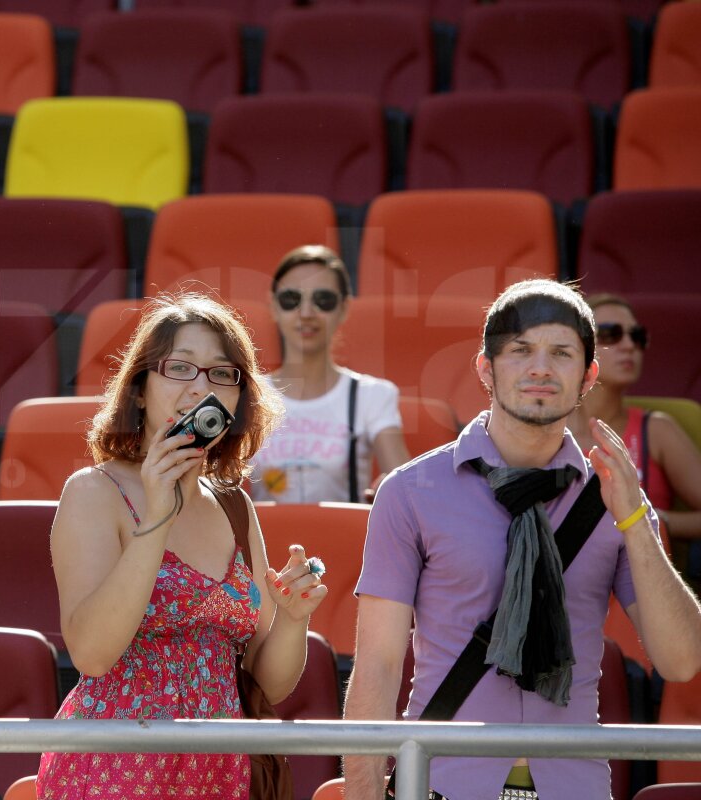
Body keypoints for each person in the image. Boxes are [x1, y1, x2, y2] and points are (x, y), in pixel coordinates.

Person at [343, 279, 701, 800]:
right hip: (445, 782)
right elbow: (376, 665)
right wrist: (363, 792)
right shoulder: (410, 491)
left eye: (561, 353)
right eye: (520, 351)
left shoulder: (614, 495)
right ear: (486, 369)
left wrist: (635, 519)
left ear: (587, 376)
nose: (540, 369)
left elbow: (682, 660)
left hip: (572, 784)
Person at [37, 292, 329, 799]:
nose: (202, 387)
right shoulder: (93, 491)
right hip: (114, 773)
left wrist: (292, 617)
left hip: (222, 772)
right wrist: (156, 517)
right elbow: (92, 654)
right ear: (142, 389)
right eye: (181, 368)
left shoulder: (235, 505)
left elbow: (270, 683)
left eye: (222, 373)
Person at [249, 245, 409, 504]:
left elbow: (405, 485)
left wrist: (392, 487)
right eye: (291, 299)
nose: (306, 312)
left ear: (344, 308)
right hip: (262, 542)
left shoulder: (373, 395)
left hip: (346, 542)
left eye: (323, 300)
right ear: (273, 307)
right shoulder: (248, 395)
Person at [568, 293, 701, 543]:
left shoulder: (658, 430)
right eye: (610, 334)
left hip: (643, 577)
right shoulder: (546, 430)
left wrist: (650, 519)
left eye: (637, 336)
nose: (629, 345)